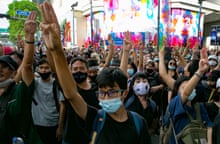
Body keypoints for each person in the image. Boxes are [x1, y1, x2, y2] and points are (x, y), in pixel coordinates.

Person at [39, 2, 152, 144]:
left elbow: (120, 76)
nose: (106, 97)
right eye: (102, 93)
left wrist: (126, 52)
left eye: (111, 92)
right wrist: (57, 50)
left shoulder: (138, 122)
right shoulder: (96, 118)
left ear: (124, 92)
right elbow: (72, 95)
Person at [0, 11, 43, 144]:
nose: (0, 69)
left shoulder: (19, 92)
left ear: (14, 73)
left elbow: (27, 65)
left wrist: (29, 37)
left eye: (5, 67)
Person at [159, 46, 213, 144]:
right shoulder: (175, 104)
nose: (188, 90)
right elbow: (186, 93)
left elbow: (209, 127)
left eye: (191, 87)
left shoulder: (199, 106)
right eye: (184, 88)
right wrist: (200, 71)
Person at [31, 58, 65, 144]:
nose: (43, 70)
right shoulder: (34, 83)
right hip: (38, 124)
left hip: (53, 124)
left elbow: (62, 105)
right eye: (41, 67)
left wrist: (60, 127)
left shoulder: (56, 84)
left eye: (46, 68)